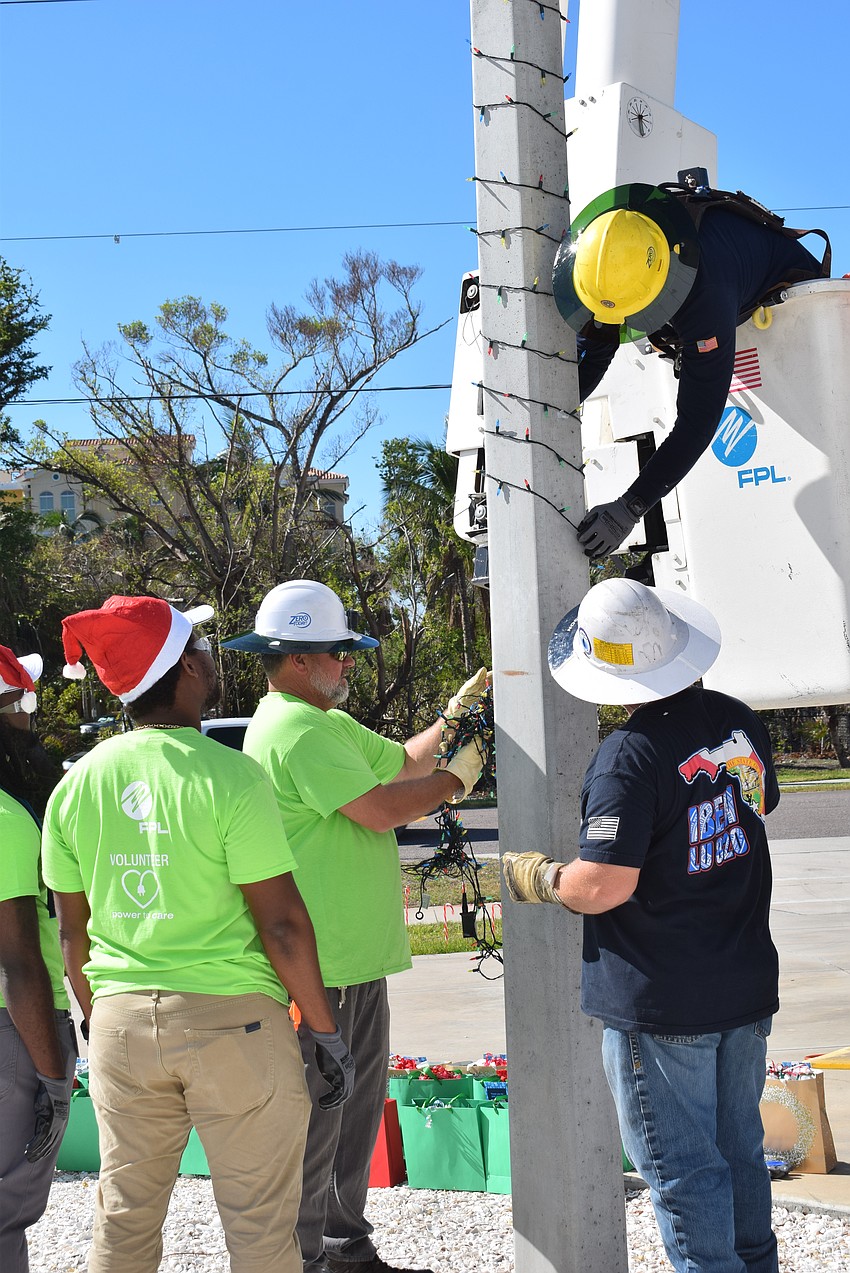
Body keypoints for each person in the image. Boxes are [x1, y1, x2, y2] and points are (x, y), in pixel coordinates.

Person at [41, 594, 355, 1273]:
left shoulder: (75, 786)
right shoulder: (233, 777)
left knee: (124, 1218)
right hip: (233, 1027)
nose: (212, 659)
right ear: (186, 668)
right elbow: (282, 923)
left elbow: (74, 935)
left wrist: (106, 1020)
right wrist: (325, 1030)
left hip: (122, 1022)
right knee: (260, 1230)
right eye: (203, 648)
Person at [503, 577, 780, 1273]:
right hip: (741, 989)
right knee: (739, 1155)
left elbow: (603, 885)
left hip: (663, 1004)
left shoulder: (628, 756)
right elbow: (759, 807)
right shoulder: (737, 719)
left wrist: (542, 878)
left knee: (686, 1173)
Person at [222, 579, 487, 1273]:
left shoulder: (324, 723)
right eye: (339, 653)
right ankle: (305, 1258)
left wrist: (454, 719)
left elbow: (404, 762)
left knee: (351, 1117)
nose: (348, 664)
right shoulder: (292, 729)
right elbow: (377, 808)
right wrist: (456, 783)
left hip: (351, 961)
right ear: (301, 658)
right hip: (320, 969)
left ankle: (345, 1248)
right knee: (318, 1123)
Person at [552, 179, 829, 557]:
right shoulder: (611, 247)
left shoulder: (704, 297)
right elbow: (597, 347)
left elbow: (698, 422)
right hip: (721, 283)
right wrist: (552, 414)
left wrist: (629, 508)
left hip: (796, 316)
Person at [0, 644, 76, 1273]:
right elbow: (17, 961)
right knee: (5, 1213)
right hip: (15, 1031)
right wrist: (54, 1078)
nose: (31, 716)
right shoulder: (8, 818)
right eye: (23, 701)